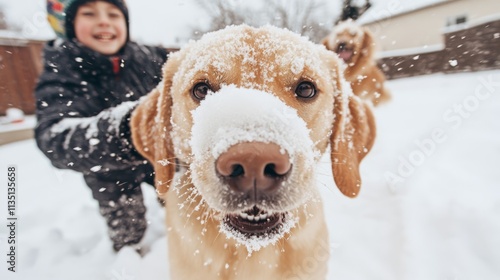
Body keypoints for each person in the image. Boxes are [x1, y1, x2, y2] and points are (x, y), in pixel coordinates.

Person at [35, 0, 168, 251]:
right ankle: (130, 254)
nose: (104, 21)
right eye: (89, 13)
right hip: (108, 171)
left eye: (113, 14)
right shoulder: (63, 69)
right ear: (69, 25)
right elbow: (55, 136)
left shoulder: (150, 58)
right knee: (128, 225)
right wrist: (128, 132)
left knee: (181, 201)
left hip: (159, 158)